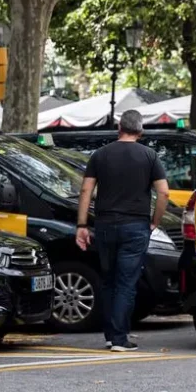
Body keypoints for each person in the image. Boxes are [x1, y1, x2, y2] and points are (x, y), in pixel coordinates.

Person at [75, 109, 169, 352]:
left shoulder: (100, 155)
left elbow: (86, 191)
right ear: (141, 130)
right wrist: (155, 221)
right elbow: (164, 193)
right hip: (136, 225)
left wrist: (82, 225)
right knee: (126, 282)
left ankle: (110, 334)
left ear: (119, 127)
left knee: (108, 280)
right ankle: (119, 338)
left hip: (105, 225)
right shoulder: (150, 156)